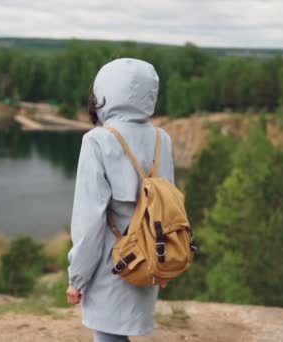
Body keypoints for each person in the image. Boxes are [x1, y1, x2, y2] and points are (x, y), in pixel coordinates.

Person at [66, 58, 175, 342]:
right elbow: (169, 208)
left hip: (112, 262)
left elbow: (88, 222)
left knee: (108, 335)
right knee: (116, 335)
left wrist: (77, 278)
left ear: (105, 93)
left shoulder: (98, 140)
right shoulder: (162, 138)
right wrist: (164, 262)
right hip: (150, 256)